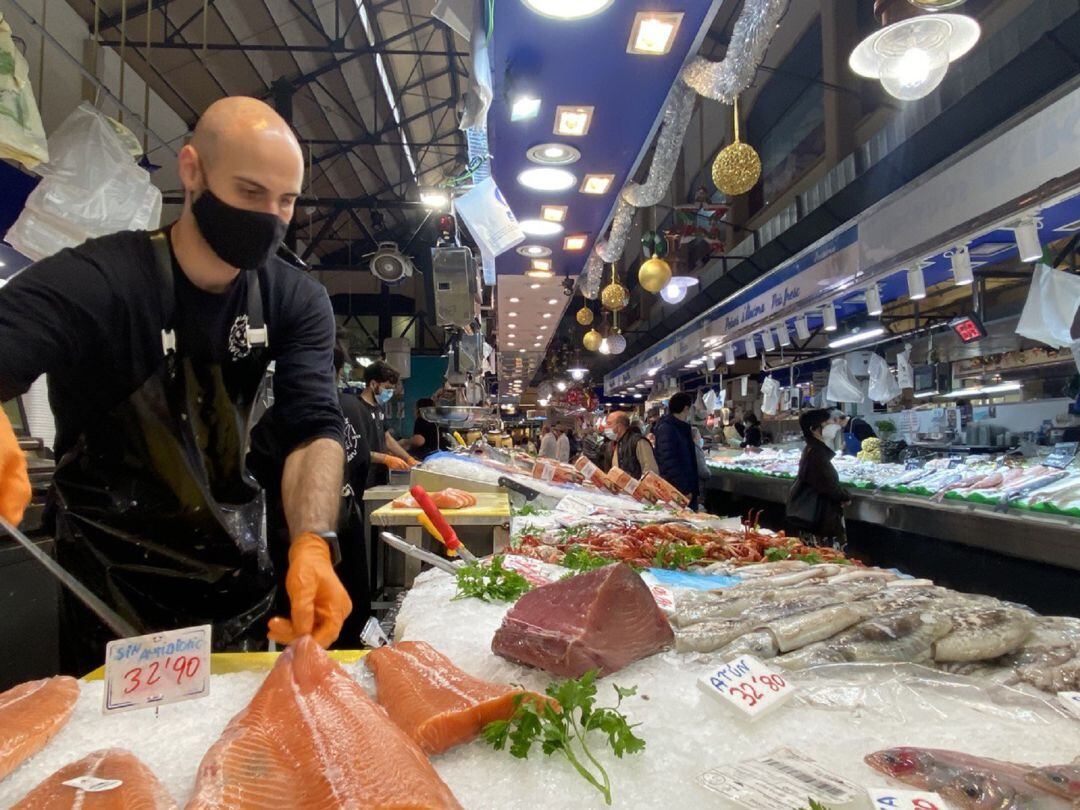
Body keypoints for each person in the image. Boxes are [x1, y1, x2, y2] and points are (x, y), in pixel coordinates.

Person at [0, 96, 351, 670]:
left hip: (237, 580)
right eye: (249, 193)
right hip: (110, 588)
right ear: (192, 171)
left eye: (286, 201)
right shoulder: (102, 279)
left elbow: (312, 426)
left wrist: (314, 540)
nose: (269, 216)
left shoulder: (294, 298)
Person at [249, 331, 371, 646]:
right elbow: (363, 464)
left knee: (311, 631)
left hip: (296, 542)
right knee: (344, 629)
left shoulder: (273, 421)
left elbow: (258, 484)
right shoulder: (354, 408)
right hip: (340, 530)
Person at [785, 408, 851, 548]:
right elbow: (827, 485)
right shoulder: (816, 454)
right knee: (826, 558)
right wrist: (845, 496)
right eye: (828, 423)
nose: (834, 426)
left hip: (817, 519)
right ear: (814, 429)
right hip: (820, 520)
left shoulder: (813, 450)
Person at [356, 361, 417, 487]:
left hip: (379, 477)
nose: (389, 393)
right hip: (362, 479)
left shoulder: (378, 408)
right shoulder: (356, 409)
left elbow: (387, 438)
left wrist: (408, 459)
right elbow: (357, 450)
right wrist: (386, 459)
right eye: (387, 388)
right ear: (373, 384)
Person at [653, 392, 701, 509]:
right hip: (677, 490)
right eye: (690, 409)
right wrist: (683, 490)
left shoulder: (679, 427)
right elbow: (669, 462)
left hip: (684, 487)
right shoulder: (667, 428)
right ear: (686, 408)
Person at [603, 411, 658, 478]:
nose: (605, 427)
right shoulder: (611, 444)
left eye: (609, 424)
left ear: (619, 426)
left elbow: (651, 472)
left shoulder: (638, 441)